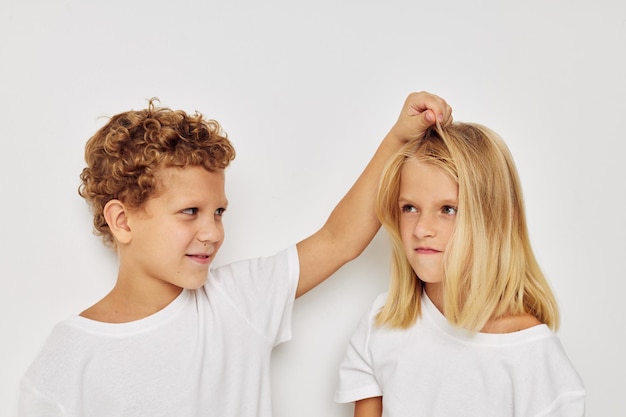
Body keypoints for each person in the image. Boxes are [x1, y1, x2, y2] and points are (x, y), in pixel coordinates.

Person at [18, 92, 452, 417]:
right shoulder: (67, 361)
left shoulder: (238, 301)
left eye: (219, 212)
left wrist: (398, 137)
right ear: (123, 221)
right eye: (190, 212)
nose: (212, 233)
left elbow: (340, 240)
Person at [334, 122, 586, 416]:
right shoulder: (381, 324)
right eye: (410, 208)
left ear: (493, 220)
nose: (422, 229)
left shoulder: (536, 359)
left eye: (448, 210)